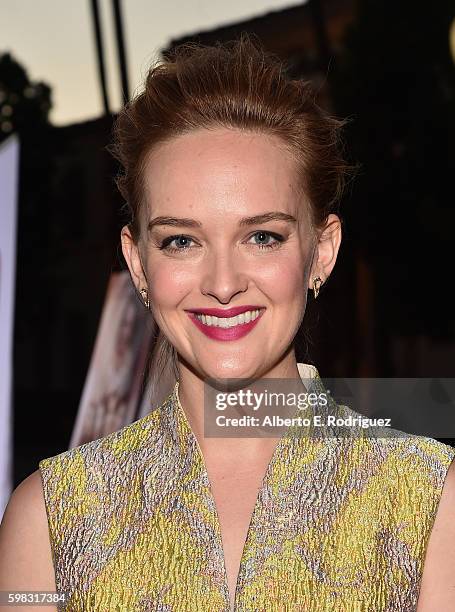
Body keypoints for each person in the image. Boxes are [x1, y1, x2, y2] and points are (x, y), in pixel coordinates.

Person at [1, 34, 454, 612]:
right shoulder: (48, 519)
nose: (221, 282)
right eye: (181, 241)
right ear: (139, 262)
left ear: (322, 251)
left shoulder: (431, 504)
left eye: (262, 236)